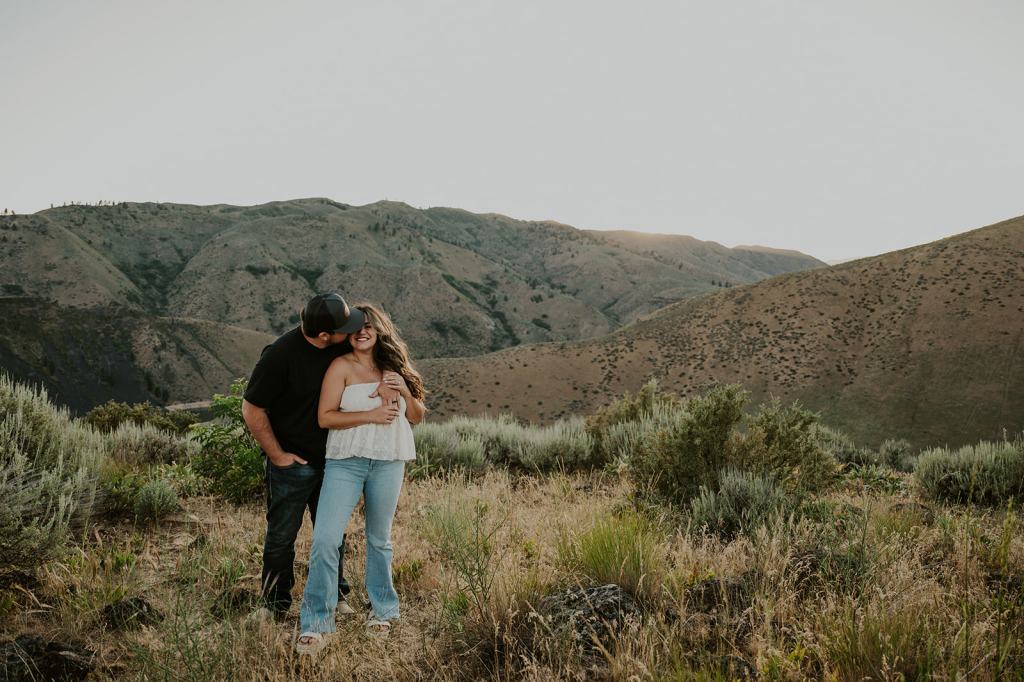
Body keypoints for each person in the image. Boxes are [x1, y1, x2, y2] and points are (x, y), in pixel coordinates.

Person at [296, 303, 426, 653]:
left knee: (379, 539)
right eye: (355, 327)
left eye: (368, 325)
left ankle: (382, 610)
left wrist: (405, 390)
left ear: (379, 329)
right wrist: (371, 414)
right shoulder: (340, 366)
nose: (362, 332)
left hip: (388, 461)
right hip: (346, 463)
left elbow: (416, 415)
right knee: (326, 538)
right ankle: (316, 622)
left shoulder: (394, 367)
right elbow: (325, 417)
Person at [242, 292, 365, 620]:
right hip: (292, 464)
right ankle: (273, 605)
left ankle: (336, 596)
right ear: (324, 334)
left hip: (334, 462)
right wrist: (278, 456)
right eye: (343, 328)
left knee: (332, 535)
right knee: (281, 536)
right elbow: (252, 409)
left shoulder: (340, 347)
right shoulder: (279, 356)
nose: (350, 332)